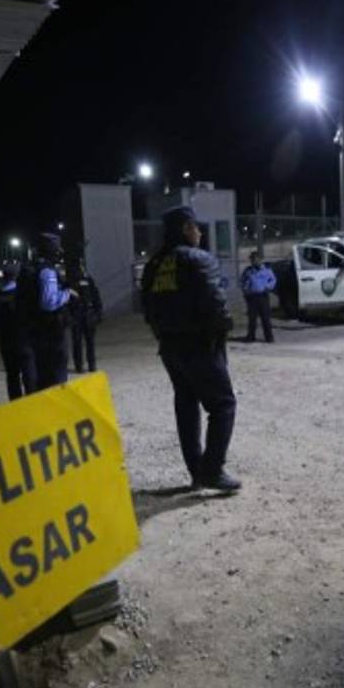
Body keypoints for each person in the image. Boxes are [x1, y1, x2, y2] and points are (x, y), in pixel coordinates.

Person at [140, 205, 240, 492]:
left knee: (186, 405)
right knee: (223, 405)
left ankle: (197, 472)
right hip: (200, 346)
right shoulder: (198, 259)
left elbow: (147, 309)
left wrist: (164, 335)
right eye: (196, 227)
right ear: (186, 228)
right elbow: (216, 305)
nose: (199, 233)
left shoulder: (154, 264)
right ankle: (212, 470)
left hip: (170, 348)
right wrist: (221, 334)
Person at [31, 233, 75, 389]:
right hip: (51, 330)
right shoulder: (47, 271)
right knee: (56, 374)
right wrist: (67, 294)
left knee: (44, 373)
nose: (59, 254)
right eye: (57, 251)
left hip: (39, 330)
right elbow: (49, 303)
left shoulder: (32, 267)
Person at [0, 259, 34, 399]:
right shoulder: (23, 295)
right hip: (25, 341)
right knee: (29, 374)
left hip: (6, 342)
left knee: (12, 375)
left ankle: (15, 405)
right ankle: (33, 404)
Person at [67, 259, 104, 372]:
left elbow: (96, 296)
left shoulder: (88, 280)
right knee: (79, 342)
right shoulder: (70, 282)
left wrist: (98, 313)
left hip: (87, 314)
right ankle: (80, 366)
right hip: (78, 315)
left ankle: (90, 365)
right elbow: (67, 301)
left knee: (88, 342)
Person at [240, 251, 277, 342]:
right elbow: (242, 281)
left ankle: (269, 338)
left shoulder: (267, 270)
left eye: (256, 259)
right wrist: (245, 290)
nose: (254, 261)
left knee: (265, 318)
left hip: (263, 296)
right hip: (252, 297)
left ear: (260, 260)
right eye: (252, 260)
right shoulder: (248, 271)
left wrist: (268, 287)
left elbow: (273, 280)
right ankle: (251, 337)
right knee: (252, 319)